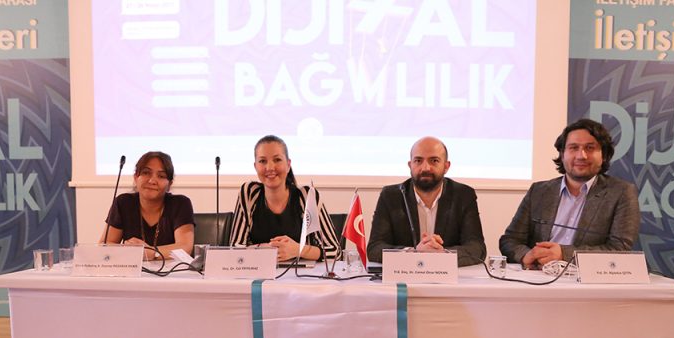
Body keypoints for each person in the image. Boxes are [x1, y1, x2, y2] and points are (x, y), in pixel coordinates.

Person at [499, 118, 640, 269]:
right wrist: (526, 255)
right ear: (562, 154)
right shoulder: (539, 191)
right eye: (573, 148)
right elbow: (510, 240)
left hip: (585, 279)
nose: (581, 156)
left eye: (590, 148)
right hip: (538, 276)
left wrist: (564, 254)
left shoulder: (621, 192)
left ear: (604, 155)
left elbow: (619, 249)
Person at [366, 136, 486, 267]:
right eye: (418, 161)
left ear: (446, 166)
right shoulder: (391, 196)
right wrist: (413, 252)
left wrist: (444, 254)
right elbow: (375, 248)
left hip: (447, 274)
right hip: (405, 274)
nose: (426, 168)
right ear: (410, 165)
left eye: (434, 161)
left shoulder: (463, 195)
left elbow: (477, 247)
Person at [229, 135, 340, 262]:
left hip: (301, 273)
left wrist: (298, 250)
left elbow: (335, 251)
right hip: (260, 272)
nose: (270, 167)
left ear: (288, 164)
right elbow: (235, 249)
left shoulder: (307, 196)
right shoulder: (249, 193)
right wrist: (266, 249)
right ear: (255, 166)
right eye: (262, 161)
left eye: (277, 160)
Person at [102, 151, 195, 260]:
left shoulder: (180, 204)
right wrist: (130, 251)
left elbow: (185, 247)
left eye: (161, 176)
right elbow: (105, 244)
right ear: (136, 177)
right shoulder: (123, 202)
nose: (152, 181)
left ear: (169, 184)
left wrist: (152, 253)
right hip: (133, 269)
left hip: (171, 270)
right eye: (146, 173)